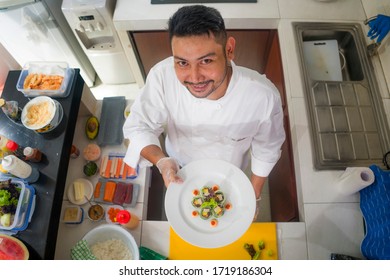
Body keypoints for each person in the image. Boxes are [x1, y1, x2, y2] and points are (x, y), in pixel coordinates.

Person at [123, 5, 285, 217]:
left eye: (206, 61)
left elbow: (267, 149)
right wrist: (163, 162)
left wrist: (253, 195)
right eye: (182, 62)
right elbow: (138, 127)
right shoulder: (162, 76)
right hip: (180, 164)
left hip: (231, 168)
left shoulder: (262, 96)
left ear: (229, 49)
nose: (195, 77)